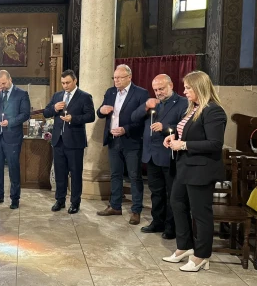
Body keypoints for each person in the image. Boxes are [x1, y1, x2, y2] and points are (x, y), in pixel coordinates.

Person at [161, 70, 227, 273]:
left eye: (188, 87)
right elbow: (187, 132)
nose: (185, 91)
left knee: (200, 213)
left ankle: (201, 255)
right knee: (177, 203)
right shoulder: (194, 108)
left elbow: (215, 144)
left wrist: (184, 145)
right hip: (185, 167)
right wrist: (173, 137)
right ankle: (185, 246)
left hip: (201, 170)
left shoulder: (213, 111)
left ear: (200, 87)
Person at [131, 74, 187, 239]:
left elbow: (186, 127)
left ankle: (171, 227)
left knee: (171, 193)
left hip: (168, 155)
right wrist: (145, 106)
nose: (158, 92)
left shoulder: (182, 103)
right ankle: (157, 222)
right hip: (151, 155)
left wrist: (165, 127)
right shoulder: (152, 103)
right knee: (156, 192)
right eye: (155, 90)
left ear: (171, 85)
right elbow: (133, 118)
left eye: (161, 89)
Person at [96, 64, 149, 224]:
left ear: (129, 77)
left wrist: (125, 129)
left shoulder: (140, 93)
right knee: (115, 174)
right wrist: (101, 110)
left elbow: (142, 120)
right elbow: (100, 112)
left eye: (120, 77)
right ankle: (115, 206)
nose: (116, 80)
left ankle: (136, 210)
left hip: (131, 140)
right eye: (115, 78)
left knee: (134, 176)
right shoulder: (110, 92)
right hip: (113, 139)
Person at [43, 69, 95, 214]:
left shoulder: (84, 97)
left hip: (75, 142)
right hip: (58, 141)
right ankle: (60, 200)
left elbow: (91, 116)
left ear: (75, 81)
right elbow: (46, 112)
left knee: (76, 173)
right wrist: (54, 108)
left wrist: (73, 118)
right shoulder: (57, 96)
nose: (65, 85)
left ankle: (75, 203)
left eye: (68, 82)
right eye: (63, 83)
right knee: (60, 173)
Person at [0, 70, 31, 209]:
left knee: (13, 168)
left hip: (12, 137)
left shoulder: (21, 94)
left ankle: (15, 198)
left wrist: (10, 122)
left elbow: (25, 114)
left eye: (4, 83)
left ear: (10, 79)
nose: (2, 86)